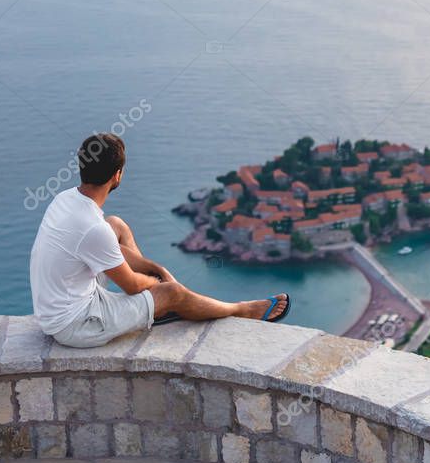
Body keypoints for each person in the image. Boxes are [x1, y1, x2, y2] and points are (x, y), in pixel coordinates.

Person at [29, 133, 290, 347]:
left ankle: (153, 308)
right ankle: (240, 310)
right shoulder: (93, 229)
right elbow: (131, 284)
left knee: (116, 225)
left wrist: (157, 270)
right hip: (75, 325)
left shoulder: (64, 199)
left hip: (60, 304)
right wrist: (159, 282)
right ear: (117, 175)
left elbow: (105, 246)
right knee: (173, 292)